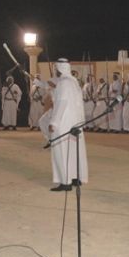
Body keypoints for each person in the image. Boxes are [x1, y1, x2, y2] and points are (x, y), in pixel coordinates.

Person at [48, 59, 88, 192]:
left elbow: (61, 103)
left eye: (56, 69)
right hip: (75, 121)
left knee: (62, 150)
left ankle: (65, 182)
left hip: (64, 122)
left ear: (59, 69)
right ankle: (76, 178)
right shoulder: (73, 82)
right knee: (74, 151)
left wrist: (54, 122)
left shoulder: (63, 83)